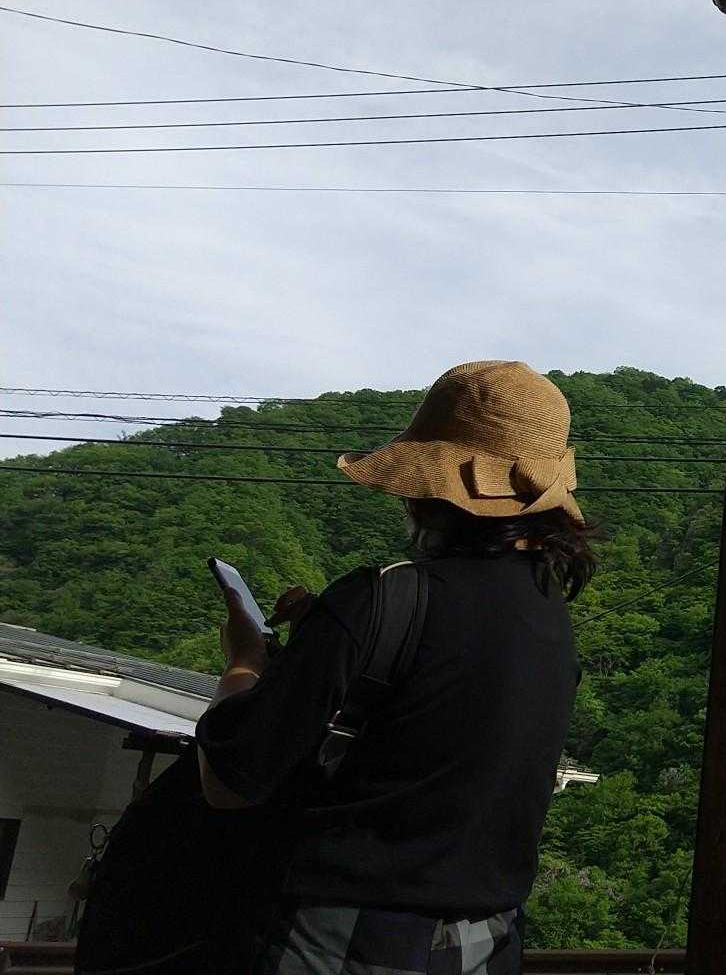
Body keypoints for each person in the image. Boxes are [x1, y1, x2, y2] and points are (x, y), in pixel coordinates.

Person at [195, 361, 595, 975]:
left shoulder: (380, 598)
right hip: (488, 944)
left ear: (425, 491)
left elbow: (229, 782)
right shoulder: (553, 624)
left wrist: (245, 662)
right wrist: (325, 639)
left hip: (343, 942)